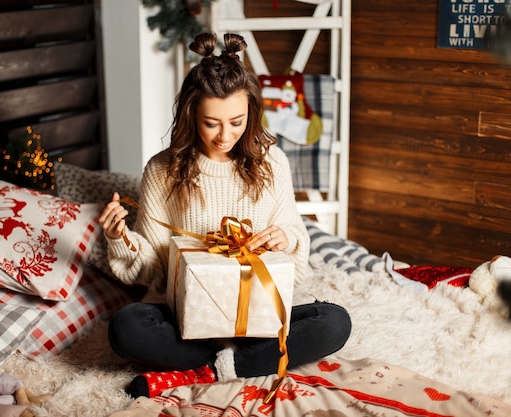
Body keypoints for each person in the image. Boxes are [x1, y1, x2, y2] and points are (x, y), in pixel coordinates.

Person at [99, 32, 351, 398]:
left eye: (236, 121)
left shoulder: (273, 162)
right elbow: (152, 269)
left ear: (251, 112)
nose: (224, 135)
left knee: (334, 322)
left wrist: (287, 237)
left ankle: (210, 367)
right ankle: (243, 363)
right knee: (126, 327)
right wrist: (118, 238)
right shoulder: (162, 169)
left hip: (258, 316)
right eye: (210, 123)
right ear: (190, 115)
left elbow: (294, 258)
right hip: (186, 318)